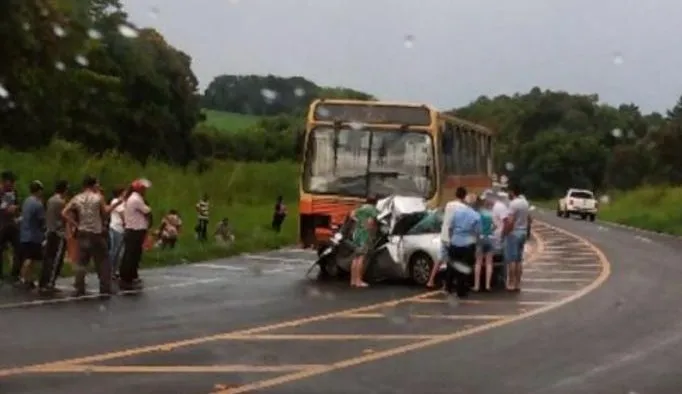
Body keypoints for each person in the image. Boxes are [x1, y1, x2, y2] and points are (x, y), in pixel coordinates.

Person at [62, 175, 122, 297]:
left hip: (82, 231)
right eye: (97, 184)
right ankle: (105, 287)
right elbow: (105, 214)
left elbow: (64, 212)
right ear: (93, 185)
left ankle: (79, 286)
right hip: (95, 232)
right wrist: (116, 204)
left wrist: (75, 224)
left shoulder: (77, 198)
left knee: (81, 261)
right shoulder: (98, 198)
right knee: (103, 260)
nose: (98, 186)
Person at [425, 187, 468, 289]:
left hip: (444, 236)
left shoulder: (449, 204)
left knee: (439, 260)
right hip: (454, 237)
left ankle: (430, 281)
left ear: (455, 194)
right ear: (464, 196)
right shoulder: (463, 208)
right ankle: (450, 283)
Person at [446, 188, 481, 296]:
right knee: (464, 267)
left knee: (452, 265)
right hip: (467, 244)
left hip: (455, 241)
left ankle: (448, 287)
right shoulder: (476, 216)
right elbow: (477, 232)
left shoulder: (457, 213)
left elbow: (450, 227)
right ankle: (461, 290)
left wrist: (451, 239)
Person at [119, 179, 152, 290]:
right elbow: (147, 211)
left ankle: (130, 275)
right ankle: (127, 277)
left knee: (131, 253)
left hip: (133, 229)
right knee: (132, 255)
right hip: (135, 230)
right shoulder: (136, 199)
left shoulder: (133, 198)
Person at [502, 184, 531, 291]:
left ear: (512, 192)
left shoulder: (513, 204)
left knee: (512, 260)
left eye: (509, 192)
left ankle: (511, 283)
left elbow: (510, 221)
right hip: (523, 232)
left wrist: (505, 233)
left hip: (514, 233)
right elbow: (529, 219)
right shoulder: (525, 203)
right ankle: (518, 283)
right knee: (519, 260)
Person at [41, 180, 69, 293]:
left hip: (49, 231)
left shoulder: (50, 200)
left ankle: (44, 281)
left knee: (48, 257)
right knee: (56, 259)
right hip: (58, 233)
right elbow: (65, 216)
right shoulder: (61, 202)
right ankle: (50, 283)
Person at [18, 180, 46, 290]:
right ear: (39, 191)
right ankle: (24, 278)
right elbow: (41, 220)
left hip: (24, 233)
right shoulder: (38, 204)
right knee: (30, 259)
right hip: (34, 235)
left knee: (30, 258)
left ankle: (28, 279)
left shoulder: (26, 201)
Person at [349, 196, 379, 288]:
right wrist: (370, 229)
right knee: (361, 258)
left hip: (356, 234)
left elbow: (352, 215)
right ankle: (359, 281)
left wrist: (359, 222)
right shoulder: (372, 209)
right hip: (364, 235)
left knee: (355, 258)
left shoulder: (361, 208)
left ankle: (353, 280)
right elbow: (371, 222)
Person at [0, 170, 21, 283]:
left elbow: (18, 204)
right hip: (2, 223)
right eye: (10, 181)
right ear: (4, 181)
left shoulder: (14, 192)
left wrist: (16, 208)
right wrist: (5, 209)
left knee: (19, 247)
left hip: (12, 223)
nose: (13, 183)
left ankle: (15, 273)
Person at [473, 196, 495, 292]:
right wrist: (490, 231)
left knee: (478, 263)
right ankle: (487, 285)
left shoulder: (478, 214)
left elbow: (476, 227)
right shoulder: (490, 214)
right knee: (489, 263)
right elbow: (495, 225)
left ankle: (477, 286)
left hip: (480, 238)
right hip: (489, 238)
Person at [108, 186, 126, 279]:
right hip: (116, 227)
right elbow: (122, 214)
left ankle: (115, 270)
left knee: (120, 251)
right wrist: (127, 223)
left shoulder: (123, 202)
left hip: (121, 228)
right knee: (115, 251)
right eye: (124, 191)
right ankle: (110, 270)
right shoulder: (116, 201)